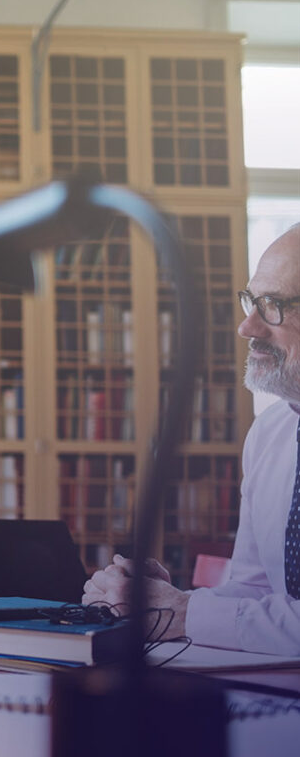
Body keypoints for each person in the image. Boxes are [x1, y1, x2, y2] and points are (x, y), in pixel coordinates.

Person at [84, 224, 300, 656]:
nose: (247, 327)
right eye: (252, 301)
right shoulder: (269, 434)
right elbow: (256, 590)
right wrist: (161, 602)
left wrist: (184, 613)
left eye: (273, 306)